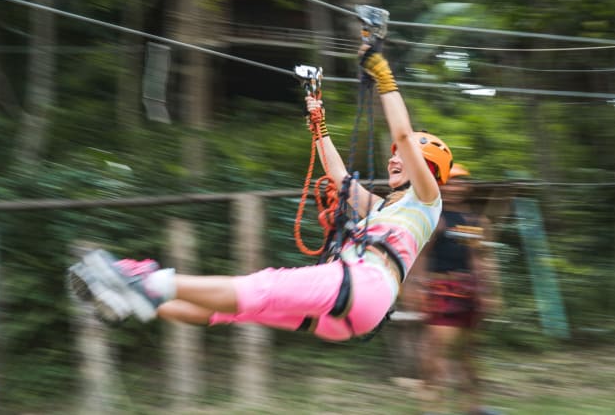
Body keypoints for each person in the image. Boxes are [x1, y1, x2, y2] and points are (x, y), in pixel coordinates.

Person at [67, 46, 454, 342]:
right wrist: (318, 122)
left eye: (405, 159)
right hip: (354, 309)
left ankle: (139, 281)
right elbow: (337, 176)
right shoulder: (384, 208)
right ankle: (139, 303)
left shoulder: (427, 200)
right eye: (395, 158)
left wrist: (383, 76)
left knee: (261, 286)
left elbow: (402, 134)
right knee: (238, 309)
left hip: (364, 287)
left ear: (429, 170)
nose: (395, 161)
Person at [416, 164, 501, 414]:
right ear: (440, 185)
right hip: (441, 289)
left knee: (468, 353)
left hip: (469, 291)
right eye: (450, 182)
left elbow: (481, 256)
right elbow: (421, 256)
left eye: (460, 182)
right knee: (437, 351)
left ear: (468, 186)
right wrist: (417, 288)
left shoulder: (474, 220)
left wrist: (489, 291)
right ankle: (434, 406)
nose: (456, 187)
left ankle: (474, 407)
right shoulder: (435, 218)